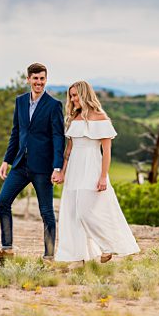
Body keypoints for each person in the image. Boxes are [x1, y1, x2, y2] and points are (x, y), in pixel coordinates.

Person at [53, 80, 140, 264]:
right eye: (71, 95)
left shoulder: (101, 118)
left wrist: (103, 176)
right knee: (73, 213)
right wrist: (61, 172)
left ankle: (107, 246)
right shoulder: (73, 118)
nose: (73, 99)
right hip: (74, 169)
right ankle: (77, 256)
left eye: (76, 95)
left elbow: (106, 151)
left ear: (85, 95)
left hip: (92, 167)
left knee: (86, 211)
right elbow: (68, 151)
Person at [0, 62, 66, 261]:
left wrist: (57, 167)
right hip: (20, 164)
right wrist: (7, 160)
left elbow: (59, 137)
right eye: (35, 78)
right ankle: (7, 250)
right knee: (3, 201)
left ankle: (49, 257)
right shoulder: (20, 101)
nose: (38, 82)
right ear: (28, 79)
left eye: (42, 78)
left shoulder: (54, 105)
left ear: (45, 80)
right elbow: (16, 132)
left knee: (46, 212)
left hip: (43, 168)